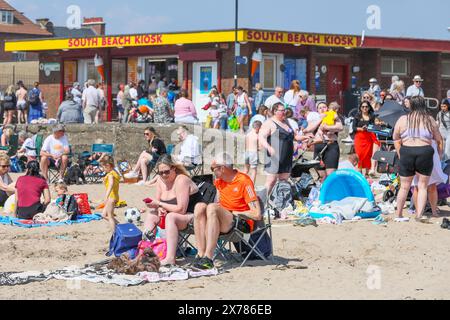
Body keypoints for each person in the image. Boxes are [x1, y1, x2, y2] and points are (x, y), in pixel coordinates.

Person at [192, 152, 262, 270]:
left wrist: (234, 212)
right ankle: (201, 254)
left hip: (241, 223)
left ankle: (208, 258)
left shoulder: (244, 181)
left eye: (213, 168)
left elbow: (257, 214)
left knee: (212, 208)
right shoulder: (219, 182)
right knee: (199, 207)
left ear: (222, 168)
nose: (212, 171)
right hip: (223, 220)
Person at [143, 154, 201, 266]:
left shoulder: (181, 180)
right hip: (175, 215)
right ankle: (147, 252)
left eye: (166, 171)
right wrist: (159, 208)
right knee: (151, 215)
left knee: (171, 217)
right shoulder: (160, 181)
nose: (164, 175)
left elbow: (181, 209)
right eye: (161, 172)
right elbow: (159, 203)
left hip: (195, 216)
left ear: (174, 168)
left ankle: (170, 258)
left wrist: (160, 204)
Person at [393, 96, 442, 222]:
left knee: (404, 186)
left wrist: (400, 153)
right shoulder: (429, 119)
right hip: (424, 152)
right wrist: (440, 155)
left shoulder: (403, 119)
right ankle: (419, 215)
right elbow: (439, 139)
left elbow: (396, 138)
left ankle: (398, 214)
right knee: (423, 186)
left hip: (407, 151)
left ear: (411, 106)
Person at [259, 102, 303, 194]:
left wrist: (305, 137)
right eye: (282, 110)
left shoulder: (286, 121)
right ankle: (263, 203)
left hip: (286, 156)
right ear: (275, 111)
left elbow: (295, 136)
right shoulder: (269, 123)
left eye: (285, 110)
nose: (284, 112)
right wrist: (269, 147)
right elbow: (261, 137)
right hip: (274, 156)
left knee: (283, 182)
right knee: (271, 181)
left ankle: (279, 202)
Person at [303, 102, 344, 181]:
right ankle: (322, 192)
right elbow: (309, 129)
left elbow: (340, 127)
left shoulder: (333, 116)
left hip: (331, 146)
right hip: (319, 147)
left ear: (327, 108)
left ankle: (331, 192)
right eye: (320, 108)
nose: (322, 109)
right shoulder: (315, 119)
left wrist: (326, 127)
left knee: (331, 174)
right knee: (321, 175)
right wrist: (320, 120)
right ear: (317, 110)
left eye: (324, 107)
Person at [411, 139, 447, 218]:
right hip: (415, 150)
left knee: (431, 185)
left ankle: (433, 211)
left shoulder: (431, 126)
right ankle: (419, 211)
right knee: (416, 186)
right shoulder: (410, 126)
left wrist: (439, 155)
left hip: (429, 152)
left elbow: (439, 139)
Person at [352, 101, 381, 177]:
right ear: (360, 108)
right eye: (363, 107)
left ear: (369, 107)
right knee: (359, 155)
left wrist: (376, 124)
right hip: (359, 138)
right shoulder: (357, 116)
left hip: (369, 138)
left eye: (366, 106)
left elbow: (376, 126)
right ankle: (359, 173)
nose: (364, 108)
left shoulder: (372, 116)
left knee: (368, 155)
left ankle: (367, 175)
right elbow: (353, 128)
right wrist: (361, 129)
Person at [99, 155, 120, 232]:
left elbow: (110, 185)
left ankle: (114, 232)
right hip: (114, 196)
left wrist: (106, 196)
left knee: (110, 216)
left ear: (108, 165)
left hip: (111, 197)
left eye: (104, 167)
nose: (103, 169)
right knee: (103, 215)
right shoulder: (115, 172)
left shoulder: (111, 174)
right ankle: (119, 225)